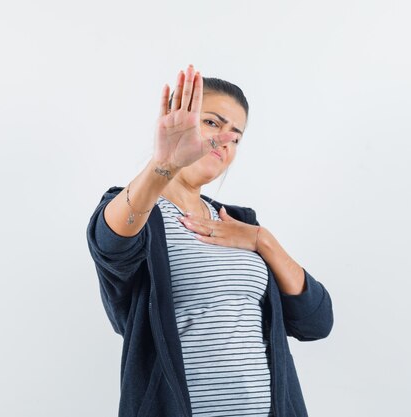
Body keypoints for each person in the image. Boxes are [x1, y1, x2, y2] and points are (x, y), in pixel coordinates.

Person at [86, 64, 334, 417]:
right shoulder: (141, 213)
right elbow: (110, 243)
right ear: (176, 120)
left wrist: (263, 240)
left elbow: (316, 322)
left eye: (236, 135)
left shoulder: (242, 223)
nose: (224, 140)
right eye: (213, 123)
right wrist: (163, 165)